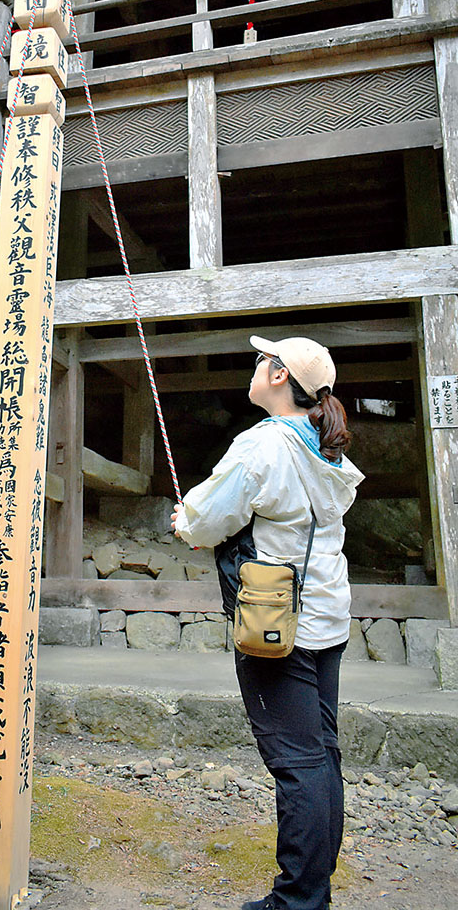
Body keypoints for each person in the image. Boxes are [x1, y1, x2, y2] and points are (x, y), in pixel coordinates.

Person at [172, 335, 364, 910]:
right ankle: (312, 891)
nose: (255, 367)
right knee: (321, 754)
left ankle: (298, 901)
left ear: (281, 376)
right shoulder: (326, 451)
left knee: (298, 763)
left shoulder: (264, 445)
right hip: (325, 617)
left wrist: (184, 519)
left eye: (263, 360)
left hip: (275, 623)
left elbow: (207, 520)